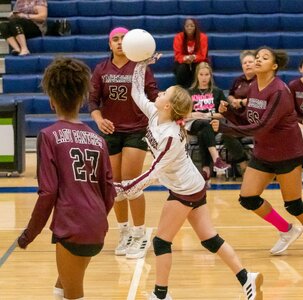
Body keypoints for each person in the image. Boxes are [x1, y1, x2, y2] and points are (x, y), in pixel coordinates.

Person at [115, 58, 263, 300]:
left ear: (168, 106)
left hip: (185, 191)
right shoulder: (154, 112)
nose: (159, 93)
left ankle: (160, 295)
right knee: (210, 239)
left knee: (162, 242)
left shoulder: (171, 136)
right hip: (191, 185)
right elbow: (135, 91)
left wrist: (124, 188)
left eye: (164, 93)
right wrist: (141, 64)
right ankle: (247, 277)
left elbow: (153, 172)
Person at [17, 57, 116, 300]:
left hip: (72, 226)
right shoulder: (98, 140)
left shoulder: (49, 136)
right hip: (96, 225)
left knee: (74, 294)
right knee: (62, 286)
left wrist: (29, 233)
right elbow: (110, 192)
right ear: (82, 99)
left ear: (51, 101)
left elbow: (48, 192)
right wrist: (94, 218)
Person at [212, 46, 303, 256]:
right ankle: (286, 230)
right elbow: (249, 120)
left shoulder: (279, 91)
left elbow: (261, 127)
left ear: (274, 66)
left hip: (286, 153)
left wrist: (225, 127)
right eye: (257, 57)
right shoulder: (253, 86)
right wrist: (231, 114)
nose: (258, 60)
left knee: (294, 205)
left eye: (264, 58)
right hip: (264, 153)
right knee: (248, 198)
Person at [88, 27, 159, 259]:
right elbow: (93, 102)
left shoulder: (140, 66)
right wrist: (99, 119)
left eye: (123, 39)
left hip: (136, 130)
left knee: (131, 183)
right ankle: (125, 232)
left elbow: (153, 96)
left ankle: (140, 234)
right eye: (115, 39)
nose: (119, 43)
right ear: (109, 44)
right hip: (111, 131)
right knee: (115, 186)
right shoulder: (101, 69)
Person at [186, 62, 230, 187]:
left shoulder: (217, 92)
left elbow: (225, 114)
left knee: (203, 132)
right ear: (197, 76)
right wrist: (196, 115)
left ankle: (206, 171)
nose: (204, 77)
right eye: (201, 74)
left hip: (212, 124)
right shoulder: (189, 92)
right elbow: (184, 113)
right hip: (193, 124)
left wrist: (207, 115)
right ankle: (216, 158)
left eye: (207, 75)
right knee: (203, 125)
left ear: (210, 76)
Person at [224, 50, 257, 174]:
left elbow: (261, 99)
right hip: (240, 121)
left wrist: (242, 102)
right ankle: (243, 163)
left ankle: (259, 167)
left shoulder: (261, 80)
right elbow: (230, 94)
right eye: (245, 63)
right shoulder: (238, 80)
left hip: (257, 120)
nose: (247, 65)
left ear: (256, 64)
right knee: (227, 134)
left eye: (250, 62)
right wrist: (233, 100)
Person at [173, 18, 208, 88]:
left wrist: (194, 58)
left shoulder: (203, 37)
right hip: (183, 62)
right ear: (184, 27)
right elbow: (177, 55)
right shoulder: (178, 37)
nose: (189, 28)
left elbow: (203, 55)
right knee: (182, 68)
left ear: (195, 27)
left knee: (200, 67)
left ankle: (198, 89)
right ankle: (180, 89)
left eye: (192, 26)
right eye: (187, 26)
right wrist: (186, 58)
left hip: (198, 61)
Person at [288, 58, 303, 122]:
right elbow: (289, 110)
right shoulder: (293, 85)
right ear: (300, 69)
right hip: (298, 121)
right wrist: (300, 120)